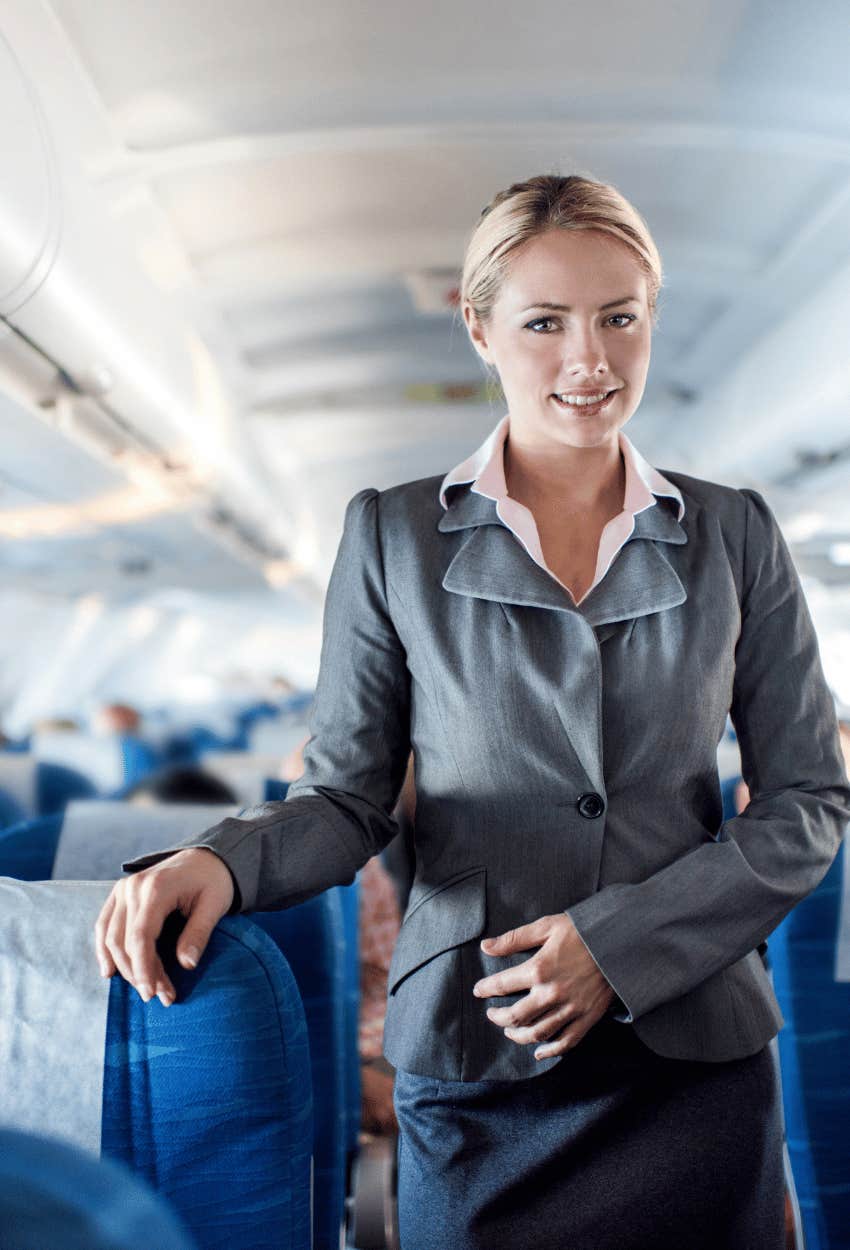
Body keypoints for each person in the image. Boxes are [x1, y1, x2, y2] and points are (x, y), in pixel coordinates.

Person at [93, 174, 850, 1250]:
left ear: (649, 320)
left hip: (692, 1056)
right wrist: (222, 858)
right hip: (479, 1054)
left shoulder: (734, 532)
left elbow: (809, 802)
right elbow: (347, 797)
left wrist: (620, 940)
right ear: (478, 326)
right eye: (543, 321)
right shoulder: (395, 535)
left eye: (617, 317)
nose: (587, 359)